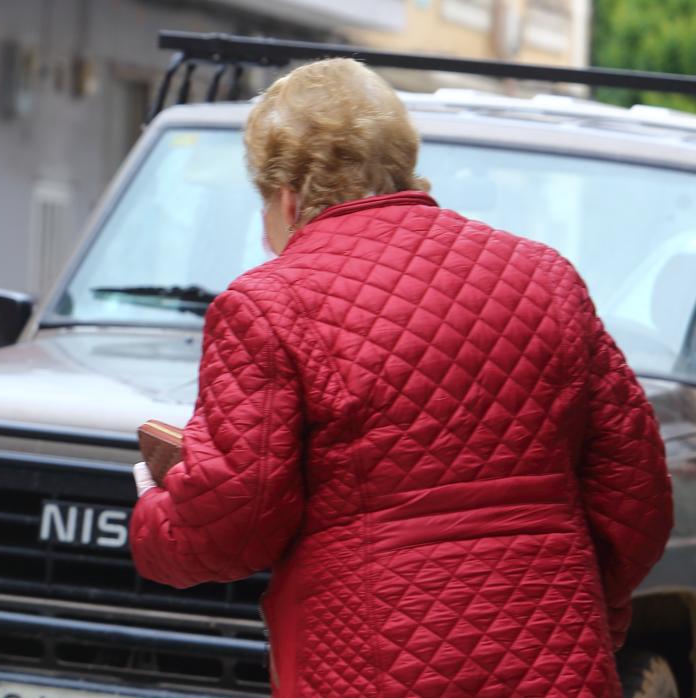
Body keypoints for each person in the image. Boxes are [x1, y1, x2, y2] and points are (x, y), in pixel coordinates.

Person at [128, 59, 673, 697]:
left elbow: (235, 527)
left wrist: (153, 516)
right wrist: (581, 604)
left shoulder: (267, 305)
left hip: (368, 665)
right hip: (558, 663)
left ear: (290, 196)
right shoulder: (546, 277)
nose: (267, 235)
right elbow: (638, 499)